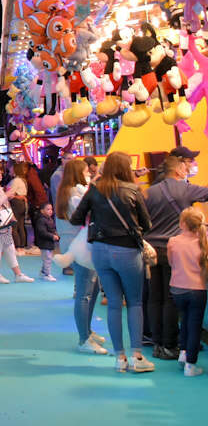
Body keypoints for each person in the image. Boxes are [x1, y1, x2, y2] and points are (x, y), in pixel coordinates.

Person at [70, 150, 154, 373]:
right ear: (126, 168)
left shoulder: (95, 190)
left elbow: (76, 218)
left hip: (100, 251)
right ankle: (137, 356)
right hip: (127, 250)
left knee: (114, 303)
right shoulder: (133, 190)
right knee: (135, 302)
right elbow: (147, 225)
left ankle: (120, 358)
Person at [144, 155, 208, 360]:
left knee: (155, 297)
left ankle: (157, 342)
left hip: (152, 249)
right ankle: (171, 344)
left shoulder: (149, 192)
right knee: (171, 299)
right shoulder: (186, 189)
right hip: (174, 249)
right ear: (179, 170)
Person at [55, 158, 107, 355]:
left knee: (91, 290)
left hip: (78, 244)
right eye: (86, 171)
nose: (90, 173)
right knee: (85, 292)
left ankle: (87, 331)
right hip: (81, 245)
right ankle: (84, 338)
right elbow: (88, 213)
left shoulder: (69, 191)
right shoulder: (76, 193)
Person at [167, 207, 208, 376]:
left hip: (177, 288)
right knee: (194, 326)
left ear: (182, 223)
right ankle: (191, 364)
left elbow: (171, 263)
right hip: (198, 289)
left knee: (183, 321)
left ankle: (183, 353)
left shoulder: (173, 241)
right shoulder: (203, 242)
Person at [0, 160, 34, 284]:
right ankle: (1, 275)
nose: (1, 172)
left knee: (7, 248)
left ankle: (14, 274)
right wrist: (6, 195)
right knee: (0, 249)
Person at [33, 201, 59, 281]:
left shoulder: (49, 219)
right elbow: (42, 232)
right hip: (44, 243)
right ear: (42, 211)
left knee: (48, 258)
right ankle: (47, 274)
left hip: (49, 243)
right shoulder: (41, 220)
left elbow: (52, 229)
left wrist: (55, 234)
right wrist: (52, 236)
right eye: (48, 209)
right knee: (47, 259)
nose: (50, 211)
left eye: (51, 209)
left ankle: (43, 272)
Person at [8, 162, 29, 250]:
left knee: (14, 226)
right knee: (21, 225)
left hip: (16, 203)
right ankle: (22, 245)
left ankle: (18, 246)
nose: (9, 170)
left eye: (11, 168)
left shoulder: (16, 180)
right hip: (22, 204)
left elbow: (10, 193)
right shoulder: (22, 180)